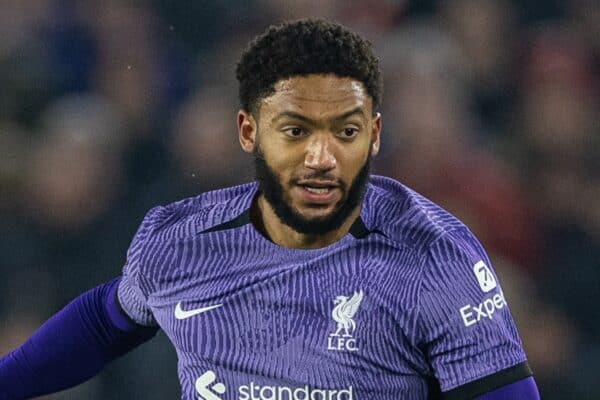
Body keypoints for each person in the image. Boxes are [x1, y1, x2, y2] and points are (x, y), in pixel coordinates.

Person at [0, 19, 540, 400]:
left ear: (374, 135)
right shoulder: (182, 239)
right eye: (295, 131)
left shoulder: (432, 256)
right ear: (249, 132)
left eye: (346, 131)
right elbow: (104, 320)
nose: (322, 158)